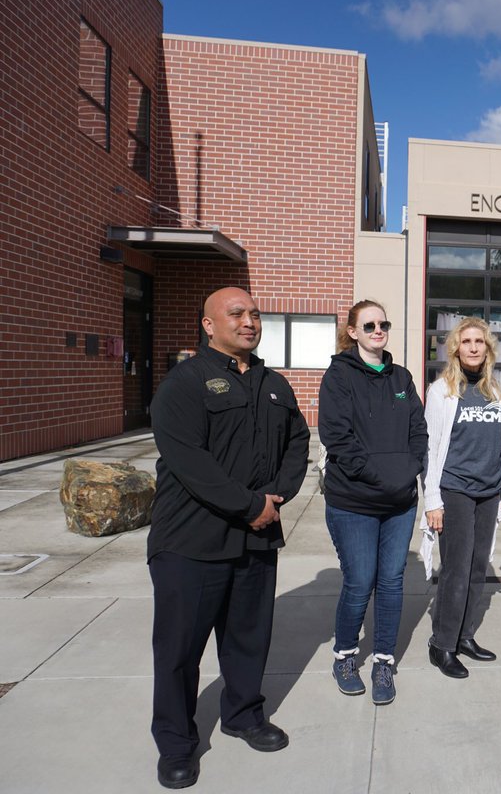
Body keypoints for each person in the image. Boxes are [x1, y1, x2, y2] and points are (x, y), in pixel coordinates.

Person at [147, 287, 309, 790]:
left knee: (248, 639)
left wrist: (276, 496)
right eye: (236, 314)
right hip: (191, 541)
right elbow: (190, 462)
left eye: (254, 314)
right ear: (209, 325)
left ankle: (243, 715)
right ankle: (177, 742)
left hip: (256, 538)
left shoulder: (274, 383)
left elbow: (298, 441)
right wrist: (250, 505)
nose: (249, 322)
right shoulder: (185, 383)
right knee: (179, 650)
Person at [318, 300, 427, 705]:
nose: (378, 330)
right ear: (353, 332)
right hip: (354, 502)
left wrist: (410, 468)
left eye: (383, 323)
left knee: (393, 582)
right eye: (369, 325)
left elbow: (418, 431)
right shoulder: (338, 376)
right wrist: (381, 476)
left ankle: (383, 661)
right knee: (361, 580)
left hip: (400, 503)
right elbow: (337, 438)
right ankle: (345, 656)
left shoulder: (402, 377)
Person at [423, 317, 501, 678]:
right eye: (467, 342)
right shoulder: (442, 391)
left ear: (487, 348)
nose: (474, 347)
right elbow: (430, 449)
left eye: (479, 341)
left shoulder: (493, 390)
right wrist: (433, 499)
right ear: (456, 349)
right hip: (456, 490)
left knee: (479, 568)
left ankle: (464, 636)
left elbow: (497, 446)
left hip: (489, 490)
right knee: (456, 569)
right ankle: (442, 644)